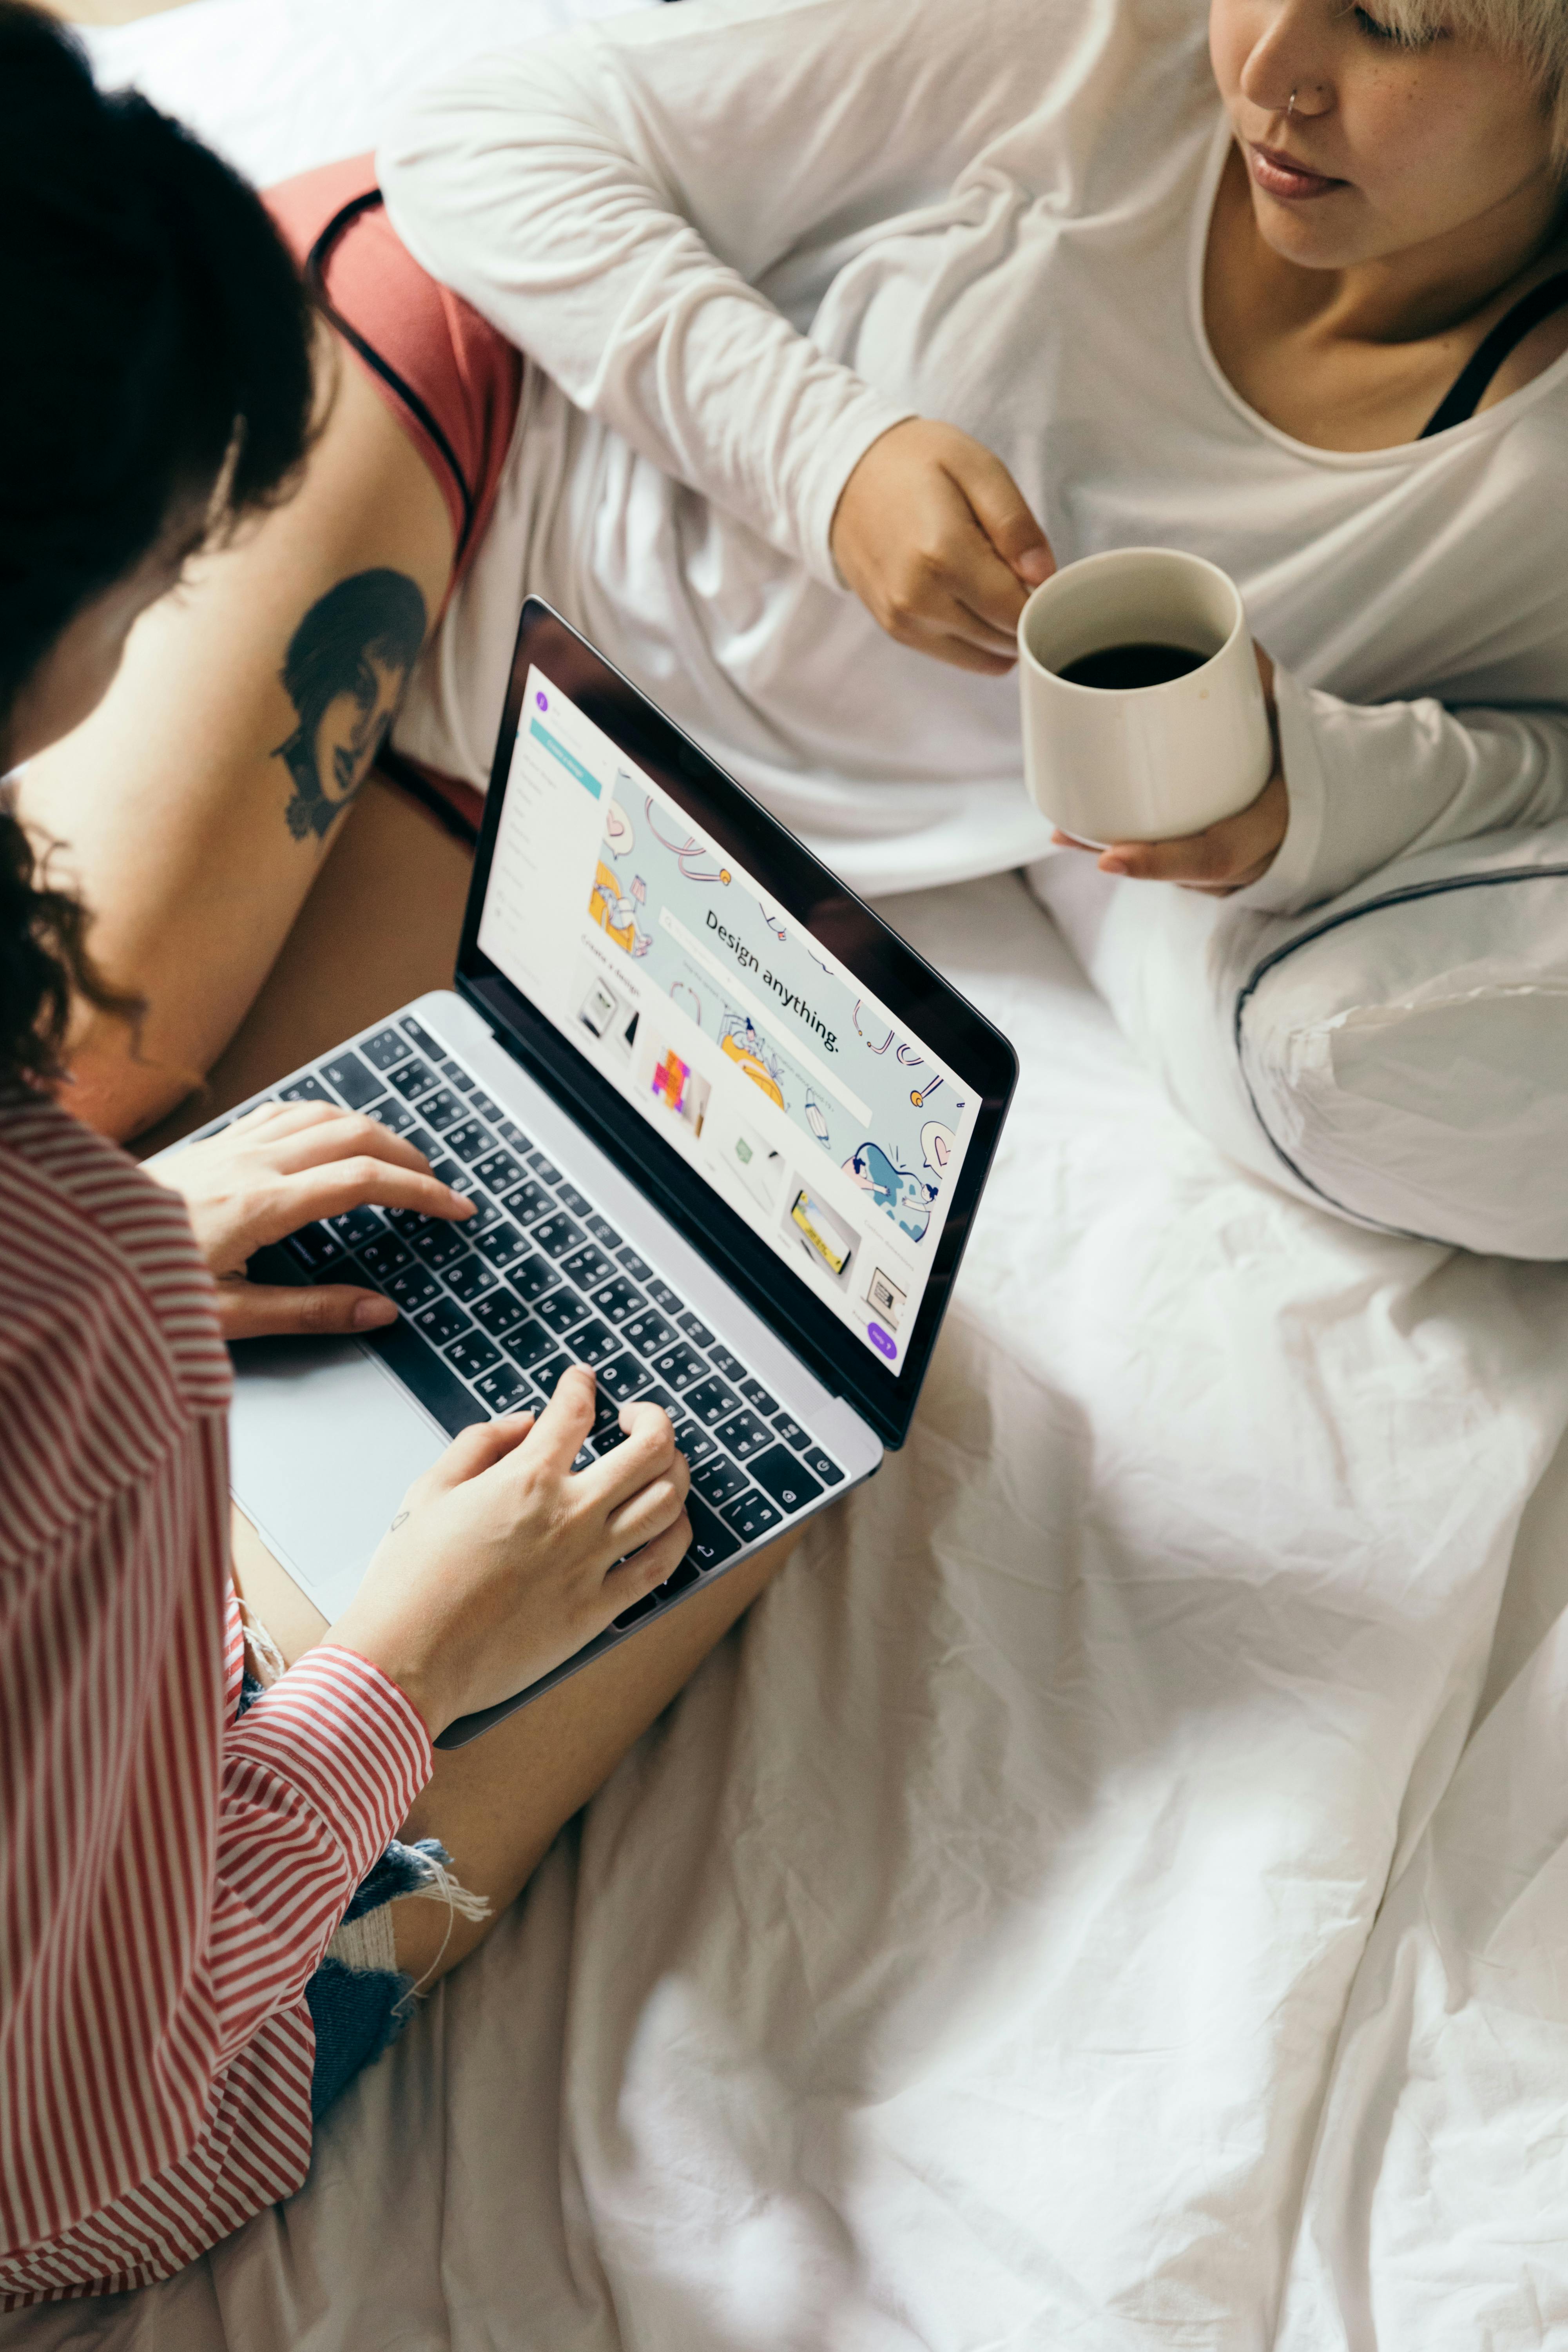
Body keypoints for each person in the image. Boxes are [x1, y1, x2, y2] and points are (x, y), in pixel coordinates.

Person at [0, 5, 795, 2307]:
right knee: (707, 1502)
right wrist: (398, 1675)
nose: (178, 619)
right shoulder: (79, 1304)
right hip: (76, 2150)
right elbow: (75, 2117)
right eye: (162, 581)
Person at [17, 0, 1568, 1150]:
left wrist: (1313, 790)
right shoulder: (1100, 43)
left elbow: (1539, 775)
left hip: (598, 792)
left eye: (1389, 24)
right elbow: (477, 142)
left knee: (236, 1245)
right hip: (473, 425)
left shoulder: (1530, 485)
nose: (1269, 69)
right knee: (87, 1062)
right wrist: (827, 458)